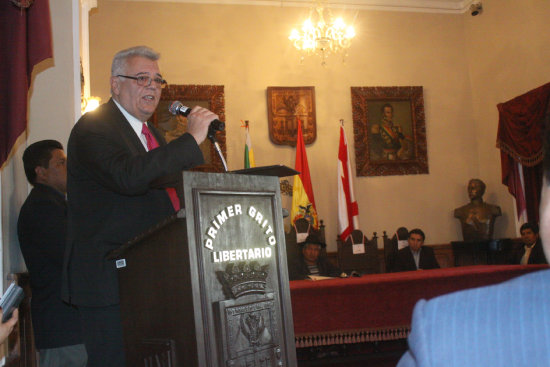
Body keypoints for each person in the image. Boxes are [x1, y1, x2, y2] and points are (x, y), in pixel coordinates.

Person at [61, 46, 216, 367]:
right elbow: (128, 177)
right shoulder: (94, 127)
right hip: (110, 282)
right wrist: (189, 141)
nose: (152, 87)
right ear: (115, 84)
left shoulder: (153, 134)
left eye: (158, 81)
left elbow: (166, 193)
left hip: (153, 279)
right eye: (141, 78)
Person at [397, 138, 550, 367]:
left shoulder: (439, 325)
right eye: (469, 187)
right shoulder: (460, 212)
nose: (471, 190)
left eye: (475, 186)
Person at [17, 140, 87, 367]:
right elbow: (72, 255)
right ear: (41, 172)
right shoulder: (42, 207)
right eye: (61, 163)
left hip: (68, 323)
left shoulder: (54, 204)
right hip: (62, 324)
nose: (68, 168)